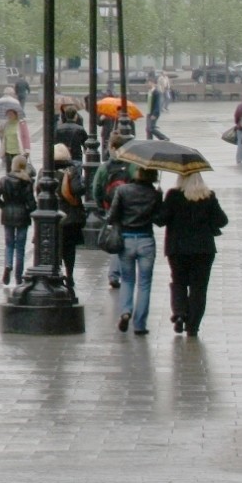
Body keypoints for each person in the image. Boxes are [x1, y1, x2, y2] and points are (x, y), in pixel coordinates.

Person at [153, 170, 228, 337]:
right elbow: (222, 221)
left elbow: (160, 220)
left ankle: (179, 313)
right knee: (199, 288)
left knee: (178, 282)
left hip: (177, 249)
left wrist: (158, 201)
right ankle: (192, 327)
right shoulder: (208, 196)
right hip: (203, 250)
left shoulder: (173, 195)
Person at [104, 166, 161, 336]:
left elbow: (112, 216)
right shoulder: (154, 194)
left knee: (127, 280)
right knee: (144, 283)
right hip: (146, 240)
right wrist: (159, 198)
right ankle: (140, 325)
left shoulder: (122, 190)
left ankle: (125, 311)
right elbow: (160, 219)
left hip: (126, 240)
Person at [92, 131, 136, 289]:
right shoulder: (131, 165)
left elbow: (96, 188)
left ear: (112, 147)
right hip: (128, 207)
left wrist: (101, 205)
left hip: (110, 206)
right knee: (124, 238)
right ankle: (119, 273)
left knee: (118, 237)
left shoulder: (105, 167)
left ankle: (114, 274)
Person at [0, 155, 35, 287]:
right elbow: (31, 202)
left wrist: (4, 206)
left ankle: (8, 264)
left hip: (8, 215)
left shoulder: (4, 180)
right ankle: (18, 277)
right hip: (22, 216)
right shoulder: (27, 181)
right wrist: (32, 210)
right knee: (20, 248)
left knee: (9, 244)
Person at [52, 143, 86, 288]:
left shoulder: (45, 172)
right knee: (69, 249)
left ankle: (55, 271)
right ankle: (69, 274)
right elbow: (79, 189)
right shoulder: (72, 171)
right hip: (70, 217)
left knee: (54, 246)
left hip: (52, 217)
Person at [0, 108, 24, 173]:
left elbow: (26, 137)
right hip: (8, 151)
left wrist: (27, 150)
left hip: (18, 151)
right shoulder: (6, 124)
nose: (9, 116)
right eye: (8, 114)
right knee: (9, 171)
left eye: (11, 114)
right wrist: (0, 132)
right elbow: (2, 137)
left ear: (16, 115)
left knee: (18, 170)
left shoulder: (21, 124)